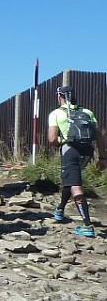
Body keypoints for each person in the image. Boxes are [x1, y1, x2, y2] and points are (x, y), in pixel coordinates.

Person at [48, 85, 106, 237]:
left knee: (75, 185)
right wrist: (102, 157)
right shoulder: (87, 112)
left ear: (59, 96)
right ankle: (60, 209)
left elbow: (52, 139)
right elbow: (99, 136)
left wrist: (63, 140)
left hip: (70, 150)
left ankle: (87, 225)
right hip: (88, 150)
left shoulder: (56, 114)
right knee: (71, 178)